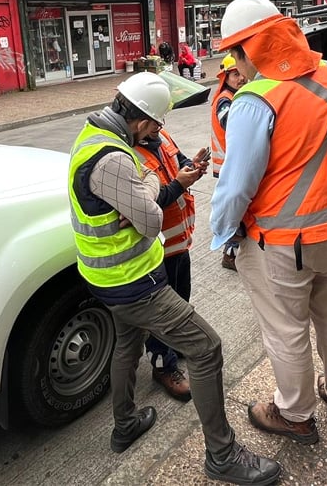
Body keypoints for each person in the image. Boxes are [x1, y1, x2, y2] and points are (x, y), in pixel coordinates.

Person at [67, 72, 281, 485]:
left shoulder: (95, 135)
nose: (159, 130)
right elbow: (149, 221)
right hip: (131, 281)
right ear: (144, 119)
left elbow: (138, 203)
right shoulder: (112, 157)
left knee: (127, 346)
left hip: (109, 276)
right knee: (205, 347)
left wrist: (145, 186)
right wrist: (151, 184)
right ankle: (222, 454)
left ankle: (125, 423)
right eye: (157, 122)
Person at [210, 0, 327, 447]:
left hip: (282, 241)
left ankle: (295, 413)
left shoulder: (256, 99)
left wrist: (223, 233)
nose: (238, 63)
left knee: (286, 327)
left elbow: (236, 186)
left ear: (249, 49)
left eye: (237, 52)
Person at [133, 123, 209, 402]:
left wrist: (193, 165)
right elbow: (147, 201)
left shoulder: (162, 136)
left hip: (180, 243)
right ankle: (163, 365)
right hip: (159, 249)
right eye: (153, 120)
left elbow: (178, 161)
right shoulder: (129, 152)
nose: (160, 125)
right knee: (162, 313)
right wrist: (180, 183)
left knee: (181, 301)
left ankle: (175, 346)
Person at [210, 54, 248, 271]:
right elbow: (232, 126)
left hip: (231, 165)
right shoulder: (225, 99)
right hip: (227, 166)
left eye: (241, 73)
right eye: (235, 74)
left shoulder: (236, 96)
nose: (240, 78)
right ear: (226, 77)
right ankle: (230, 253)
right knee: (235, 212)